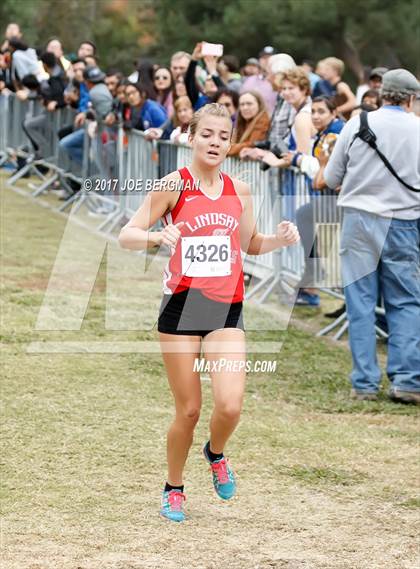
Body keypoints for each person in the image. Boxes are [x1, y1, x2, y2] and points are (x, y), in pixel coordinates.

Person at [118, 103, 300, 522]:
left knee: (231, 405)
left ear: (230, 141)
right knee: (189, 410)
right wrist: (156, 235)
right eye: (208, 134)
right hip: (180, 309)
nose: (216, 142)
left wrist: (281, 239)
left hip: (225, 308)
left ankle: (215, 453)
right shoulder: (173, 185)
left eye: (223, 135)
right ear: (191, 136)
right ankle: (174, 486)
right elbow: (127, 235)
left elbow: (250, 244)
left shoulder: (240, 190)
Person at [324, 69, 420, 405]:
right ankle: (408, 380)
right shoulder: (419, 129)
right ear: (410, 98)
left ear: (381, 93)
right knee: (405, 302)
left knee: (360, 303)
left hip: (359, 220)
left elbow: (331, 175)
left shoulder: (357, 124)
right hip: (404, 223)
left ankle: (364, 382)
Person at [286, 96, 345, 306]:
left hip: (342, 199)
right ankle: (313, 271)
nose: (316, 116)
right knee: (305, 214)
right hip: (333, 198)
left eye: (321, 111)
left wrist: (297, 160)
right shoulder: (325, 133)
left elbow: (322, 179)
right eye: (314, 111)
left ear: (334, 113)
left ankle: (314, 271)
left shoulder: (335, 133)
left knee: (305, 214)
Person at [228, 91, 270, 157]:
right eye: (242, 104)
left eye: (249, 104)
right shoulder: (242, 121)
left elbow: (252, 145)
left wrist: (229, 149)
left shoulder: (263, 120)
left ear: (259, 105)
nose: (245, 108)